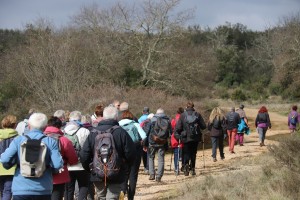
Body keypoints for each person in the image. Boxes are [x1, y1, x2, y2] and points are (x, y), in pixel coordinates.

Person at [0, 113, 63, 200]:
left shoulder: (18, 140)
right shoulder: (50, 141)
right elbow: (57, 165)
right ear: (45, 127)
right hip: (43, 188)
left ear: (28, 126)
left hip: (20, 187)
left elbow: (4, 159)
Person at [80, 106, 136, 200]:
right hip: (116, 171)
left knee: (101, 197)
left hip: (97, 171)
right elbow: (131, 153)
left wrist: (91, 168)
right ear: (116, 117)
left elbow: (84, 155)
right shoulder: (121, 132)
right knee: (113, 197)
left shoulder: (93, 133)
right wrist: (125, 166)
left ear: (104, 117)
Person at [44, 116, 78, 200]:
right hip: (60, 174)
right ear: (59, 126)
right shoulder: (63, 140)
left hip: (42, 174)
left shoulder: (40, 138)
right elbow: (73, 158)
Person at [119, 111, 147, 200]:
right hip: (135, 152)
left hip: (122, 153)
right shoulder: (135, 124)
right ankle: (131, 197)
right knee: (133, 176)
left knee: (123, 175)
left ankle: (122, 193)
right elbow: (144, 135)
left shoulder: (118, 125)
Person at [64, 111, 90, 200]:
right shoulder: (85, 131)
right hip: (81, 165)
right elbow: (88, 148)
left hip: (67, 165)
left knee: (69, 189)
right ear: (80, 119)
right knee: (83, 186)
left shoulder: (63, 131)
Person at [175, 101, 206, 176]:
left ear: (186, 107)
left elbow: (178, 128)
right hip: (195, 137)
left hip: (185, 137)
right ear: (193, 107)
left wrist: (178, 136)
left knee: (186, 152)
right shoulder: (197, 114)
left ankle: (186, 167)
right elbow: (203, 126)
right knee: (193, 153)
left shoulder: (182, 115)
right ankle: (192, 169)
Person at [148, 108, 172, 182]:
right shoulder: (168, 120)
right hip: (162, 142)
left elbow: (148, 131)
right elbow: (171, 131)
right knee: (161, 159)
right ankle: (159, 176)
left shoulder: (152, 119)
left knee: (151, 157)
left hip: (152, 141)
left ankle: (152, 174)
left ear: (156, 113)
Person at [0, 115, 18, 200]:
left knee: (1, 191)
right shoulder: (18, 138)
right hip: (12, 168)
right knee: (7, 191)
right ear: (15, 125)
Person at [170, 107, 184, 175]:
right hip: (182, 138)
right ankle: (183, 166)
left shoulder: (174, 120)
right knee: (184, 153)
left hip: (174, 139)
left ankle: (176, 168)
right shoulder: (184, 119)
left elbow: (172, 128)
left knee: (176, 154)